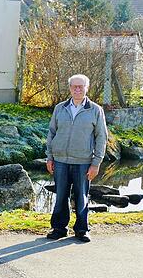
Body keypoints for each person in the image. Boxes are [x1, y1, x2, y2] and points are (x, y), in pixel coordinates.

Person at [45, 74, 107, 243]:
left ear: (87, 88)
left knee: (81, 196)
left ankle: (82, 229)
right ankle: (59, 228)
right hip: (60, 161)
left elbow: (101, 137)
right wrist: (49, 157)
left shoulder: (95, 110)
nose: (78, 89)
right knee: (61, 196)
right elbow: (51, 133)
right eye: (74, 86)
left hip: (83, 162)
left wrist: (96, 163)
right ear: (70, 88)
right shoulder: (60, 108)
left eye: (81, 86)